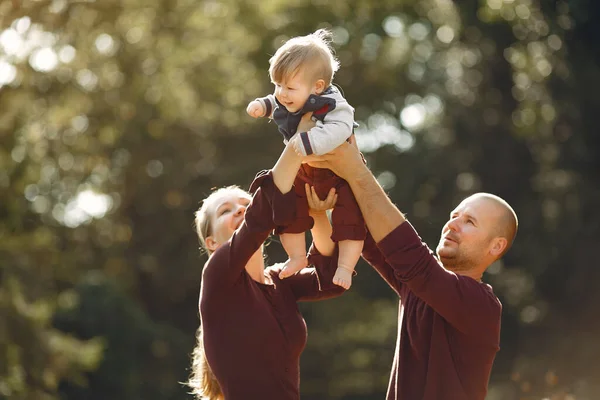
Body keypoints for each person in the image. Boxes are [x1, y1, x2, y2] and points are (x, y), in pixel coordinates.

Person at [308, 138, 519, 400]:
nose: (452, 225)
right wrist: (339, 163)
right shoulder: (417, 284)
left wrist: (355, 169)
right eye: (454, 216)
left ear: (496, 246)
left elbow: (411, 255)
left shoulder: (482, 305)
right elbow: (368, 232)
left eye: (469, 222)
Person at [186, 141, 346, 400]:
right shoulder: (216, 276)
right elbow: (258, 217)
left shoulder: (280, 281)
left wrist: (315, 214)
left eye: (244, 203)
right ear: (212, 243)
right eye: (225, 211)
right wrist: (300, 140)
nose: (239, 209)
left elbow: (332, 278)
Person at [246, 29, 365, 289]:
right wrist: (262, 105)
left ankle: (346, 265)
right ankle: (297, 256)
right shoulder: (291, 97)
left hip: (339, 173)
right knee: (290, 209)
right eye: (277, 85)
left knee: (350, 217)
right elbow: (276, 103)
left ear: (317, 87)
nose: (281, 93)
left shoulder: (333, 104)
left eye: (288, 87)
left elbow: (341, 128)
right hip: (307, 170)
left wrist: (308, 142)